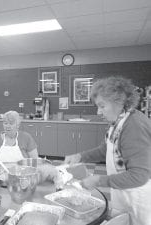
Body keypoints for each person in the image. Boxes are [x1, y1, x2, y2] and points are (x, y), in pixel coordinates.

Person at [64, 77, 151, 225]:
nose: (98, 111)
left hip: (137, 197)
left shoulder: (134, 126)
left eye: (102, 106)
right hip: (121, 189)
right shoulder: (118, 121)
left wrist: (99, 180)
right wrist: (80, 156)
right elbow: (108, 150)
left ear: (119, 102)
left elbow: (139, 175)